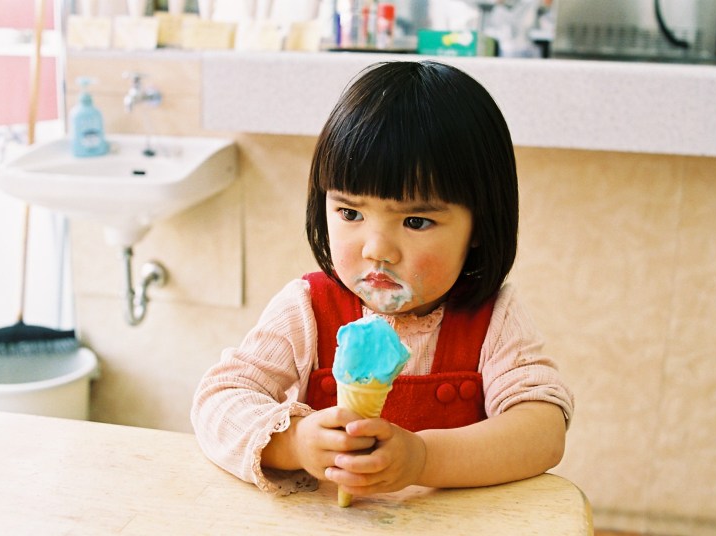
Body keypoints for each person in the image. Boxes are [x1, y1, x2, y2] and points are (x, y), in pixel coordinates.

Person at [191, 60, 573, 498]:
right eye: (350, 213)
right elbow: (218, 400)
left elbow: (543, 430)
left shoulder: (493, 320)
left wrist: (424, 458)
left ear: (480, 226)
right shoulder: (306, 309)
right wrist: (293, 442)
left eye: (415, 221)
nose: (377, 249)